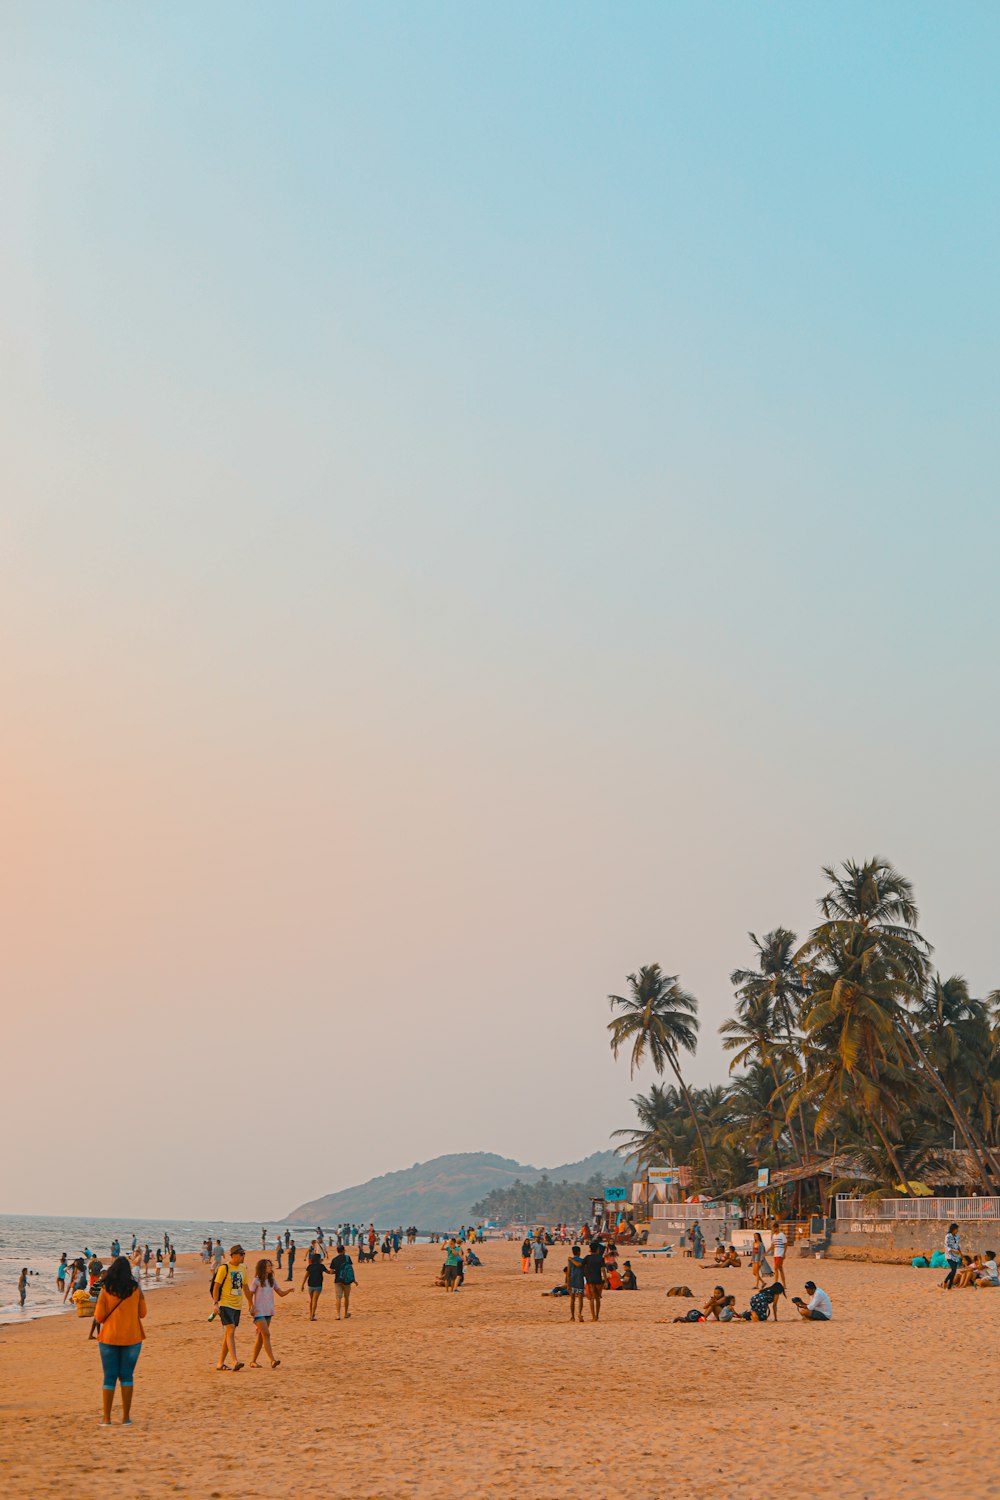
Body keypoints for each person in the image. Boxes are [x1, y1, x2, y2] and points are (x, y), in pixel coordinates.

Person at [94, 1256, 147, 1426]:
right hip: (132, 1337)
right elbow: (143, 1313)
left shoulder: (106, 1289)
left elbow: (99, 1316)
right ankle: (126, 1417)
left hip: (109, 1337)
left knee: (109, 1377)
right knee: (126, 1376)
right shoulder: (135, 1289)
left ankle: (107, 1418)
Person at [248, 1257, 293, 1367]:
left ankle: (253, 1361)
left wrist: (289, 1290)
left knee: (260, 1337)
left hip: (268, 1311)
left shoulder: (272, 1280)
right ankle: (272, 1360)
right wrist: (251, 1306)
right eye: (268, 1266)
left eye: (270, 1265)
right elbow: (250, 1294)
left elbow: (280, 1293)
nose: (270, 1267)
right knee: (266, 1334)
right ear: (262, 1268)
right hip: (258, 1312)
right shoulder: (257, 1280)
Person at [212, 1245, 248, 1371]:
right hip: (225, 1304)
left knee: (228, 1334)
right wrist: (215, 1303)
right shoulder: (224, 1268)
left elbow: (245, 1287)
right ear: (235, 1255)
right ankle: (234, 1361)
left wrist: (251, 1303)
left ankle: (220, 1363)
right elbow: (216, 1286)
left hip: (237, 1306)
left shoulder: (243, 1268)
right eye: (242, 1254)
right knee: (231, 1330)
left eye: (244, 1254)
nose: (244, 1256)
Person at [301, 1249, 331, 1319]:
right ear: (318, 1259)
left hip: (310, 1285)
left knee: (311, 1300)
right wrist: (335, 1271)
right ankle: (312, 1315)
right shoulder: (321, 1266)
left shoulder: (310, 1266)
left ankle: (310, 1314)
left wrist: (302, 1285)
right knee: (315, 1300)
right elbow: (328, 1272)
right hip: (318, 1285)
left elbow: (306, 1276)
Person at [581, 1241, 606, 1321]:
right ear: (597, 1250)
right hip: (598, 1280)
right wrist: (605, 1281)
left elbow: (581, 1265)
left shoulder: (587, 1258)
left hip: (590, 1280)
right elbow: (603, 1270)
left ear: (590, 1250)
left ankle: (593, 1316)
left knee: (591, 1298)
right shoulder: (600, 1258)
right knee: (597, 1298)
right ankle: (597, 1316)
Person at [329, 1243, 355, 1319]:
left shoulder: (334, 1259)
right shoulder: (348, 1258)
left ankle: (338, 1315)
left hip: (338, 1280)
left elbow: (331, 1272)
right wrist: (353, 1279)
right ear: (343, 1251)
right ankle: (346, 1313)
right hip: (347, 1280)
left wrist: (336, 1271)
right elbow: (350, 1269)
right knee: (346, 1297)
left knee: (338, 1298)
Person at [565, 1245, 586, 1321]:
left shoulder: (570, 1261)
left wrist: (568, 1283)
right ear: (579, 1252)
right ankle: (580, 1313)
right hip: (579, 1280)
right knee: (580, 1299)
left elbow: (568, 1272)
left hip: (572, 1281)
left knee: (572, 1299)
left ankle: (572, 1316)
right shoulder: (582, 1260)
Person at [942, 1223, 962, 1289]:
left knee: (954, 1271)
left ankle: (949, 1286)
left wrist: (961, 1253)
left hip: (956, 1256)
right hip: (949, 1255)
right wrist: (953, 1251)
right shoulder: (948, 1236)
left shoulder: (957, 1236)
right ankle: (945, 1281)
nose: (957, 1230)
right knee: (953, 1270)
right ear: (953, 1229)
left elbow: (958, 1246)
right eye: (956, 1229)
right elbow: (946, 1246)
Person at [770, 1222, 787, 1287]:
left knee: (775, 1268)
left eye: (775, 1228)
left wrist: (784, 1253)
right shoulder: (774, 1236)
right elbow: (773, 1245)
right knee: (780, 1269)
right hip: (775, 1254)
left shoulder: (781, 1235)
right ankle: (784, 1284)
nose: (774, 1229)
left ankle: (775, 1283)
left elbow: (785, 1244)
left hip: (780, 1254)